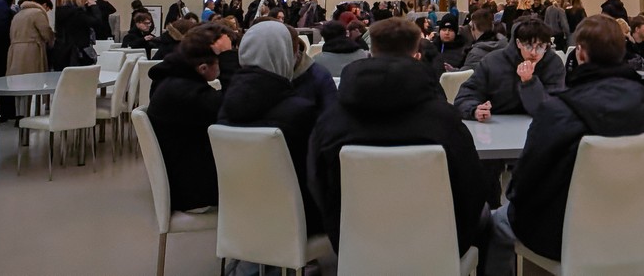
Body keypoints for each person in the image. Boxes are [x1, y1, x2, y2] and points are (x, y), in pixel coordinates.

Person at [486, 15, 644, 274]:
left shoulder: (559, 111)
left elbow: (525, 179)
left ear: (580, 53)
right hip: (633, 225)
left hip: (566, 233)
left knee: (496, 222)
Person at [308, 17, 488, 257]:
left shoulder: (331, 121)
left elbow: (317, 181)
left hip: (355, 244)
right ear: (417, 55)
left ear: (370, 53)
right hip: (434, 246)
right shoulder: (444, 120)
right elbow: (472, 185)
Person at [218, 21, 324, 237]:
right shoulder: (299, 111)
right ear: (284, 55)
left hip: (241, 215)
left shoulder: (225, 105)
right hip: (296, 221)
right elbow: (316, 173)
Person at [147, 26, 224, 212]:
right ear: (203, 68)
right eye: (220, 62)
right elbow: (229, 109)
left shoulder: (173, 81)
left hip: (182, 178)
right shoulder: (187, 93)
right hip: (193, 192)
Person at [454, 17, 565, 121]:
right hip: (495, 124)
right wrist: (474, 110)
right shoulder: (493, 62)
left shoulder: (553, 64)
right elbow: (466, 95)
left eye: (540, 47)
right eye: (528, 46)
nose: (533, 52)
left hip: (538, 125)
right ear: (518, 43)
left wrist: (529, 82)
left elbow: (552, 107)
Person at [51, 0, 105, 70]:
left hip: (60, 49)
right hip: (78, 50)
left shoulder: (58, 12)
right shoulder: (78, 14)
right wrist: (94, 7)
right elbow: (97, 23)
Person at [7, 0, 54, 76]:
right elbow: (45, 31)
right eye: (47, 9)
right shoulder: (37, 13)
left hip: (15, 51)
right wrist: (51, 42)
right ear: (45, 5)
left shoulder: (18, 15)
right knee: (32, 77)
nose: (46, 11)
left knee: (17, 77)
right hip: (32, 50)